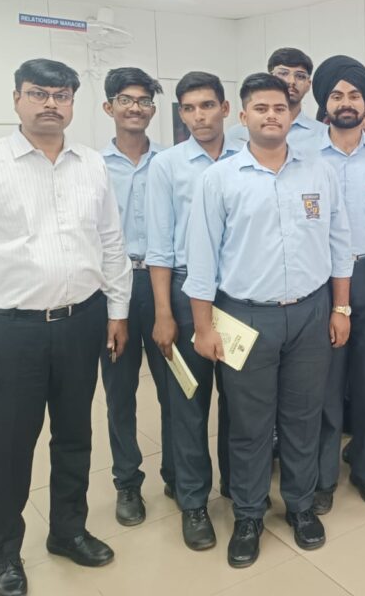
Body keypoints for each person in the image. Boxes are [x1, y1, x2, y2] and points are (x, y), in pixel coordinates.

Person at [0, 59, 132, 596]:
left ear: (72, 102)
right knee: (9, 445)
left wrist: (117, 311)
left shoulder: (91, 164)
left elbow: (111, 241)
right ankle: (3, 553)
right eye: (38, 93)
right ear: (16, 99)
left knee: (75, 436)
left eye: (61, 95)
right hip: (12, 330)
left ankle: (68, 531)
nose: (51, 103)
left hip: (83, 320)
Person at [183, 72, 352, 565]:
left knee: (303, 417)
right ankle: (249, 514)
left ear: (292, 115)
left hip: (311, 312)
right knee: (250, 425)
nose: (272, 115)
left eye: (280, 108)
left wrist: (341, 308)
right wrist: (203, 327)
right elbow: (201, 259)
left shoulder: (320, 173)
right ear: (243, 116)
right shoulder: (219, 179)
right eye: (261, 108)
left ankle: (300, 505)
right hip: (245, 316)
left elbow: (341, 244)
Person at [145, 71, 238, 551]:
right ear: (181, 114)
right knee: (188, 402)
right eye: (189, 108)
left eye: (207, 105)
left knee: (240, 401)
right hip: (184, 293)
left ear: (225, 108)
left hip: (237, 295)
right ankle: (194, 501)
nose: (199, 116)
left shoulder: (246, 157)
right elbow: (159, 247)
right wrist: (164, 312)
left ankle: (238, 489)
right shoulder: (167, 165)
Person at [309, 56, 365, 514]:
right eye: (336, 95)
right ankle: (323, 476)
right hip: (319, 277)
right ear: (324, 103)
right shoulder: (304, 155)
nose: (346, 103)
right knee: (325, 382)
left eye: (354, 95)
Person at [97, 67, 173, 528]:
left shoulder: (169, 161)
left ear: (153, 110)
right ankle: (127, 481)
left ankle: (177, 472)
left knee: (174, 388)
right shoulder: (92, 166)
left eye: (144, 101)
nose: (135, 108)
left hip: (163, 283)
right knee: (120, 392)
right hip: (114, 286)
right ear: (109, 107)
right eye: (126, 100)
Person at [227, 47, 321, 151]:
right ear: (270, 77)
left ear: (308, 84)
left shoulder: (322, 134)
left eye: (300, 76)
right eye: (283, 73)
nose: (291, 81)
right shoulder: (236, 134)